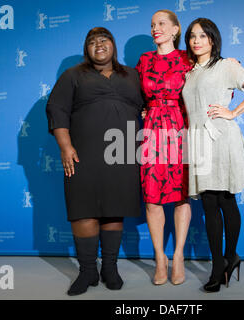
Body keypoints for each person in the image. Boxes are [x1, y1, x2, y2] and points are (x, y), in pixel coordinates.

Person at [46, 27, 143, 295]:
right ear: (86, 49)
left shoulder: (133, 76)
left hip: (122, 153)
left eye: (104, 40)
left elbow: (154, 103)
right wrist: (65, 147)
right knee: (83, 208)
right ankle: (87, 270)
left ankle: (109, 268)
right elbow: (57, 109)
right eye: (91, 42)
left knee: (114, 208)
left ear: (113, 44)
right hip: (83, 153)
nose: (98, 45)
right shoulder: (73, 75)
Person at [182, 18, 244, 293]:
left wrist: (233, 112)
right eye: (192, 36)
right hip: (198, 141)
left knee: (225, 200)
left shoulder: (226, 66)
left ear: (213, 39)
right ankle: (219, 265)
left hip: (220, 138)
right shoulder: (189, 72)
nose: (197, 41)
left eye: (203, 36)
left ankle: (229, 259)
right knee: (209, 204)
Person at [135, 9, 192, 285]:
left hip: (181, 129)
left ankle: (178, 255)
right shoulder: (144, 60)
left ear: (176, 29)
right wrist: (145, 109)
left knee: (182, 196)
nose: (155, 28)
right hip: (152, 131)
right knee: (152, 198)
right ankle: (160, 257)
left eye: (161, 24)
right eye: (152, 24)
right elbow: (132, 94)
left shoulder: (187, 59)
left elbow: (208, 87)